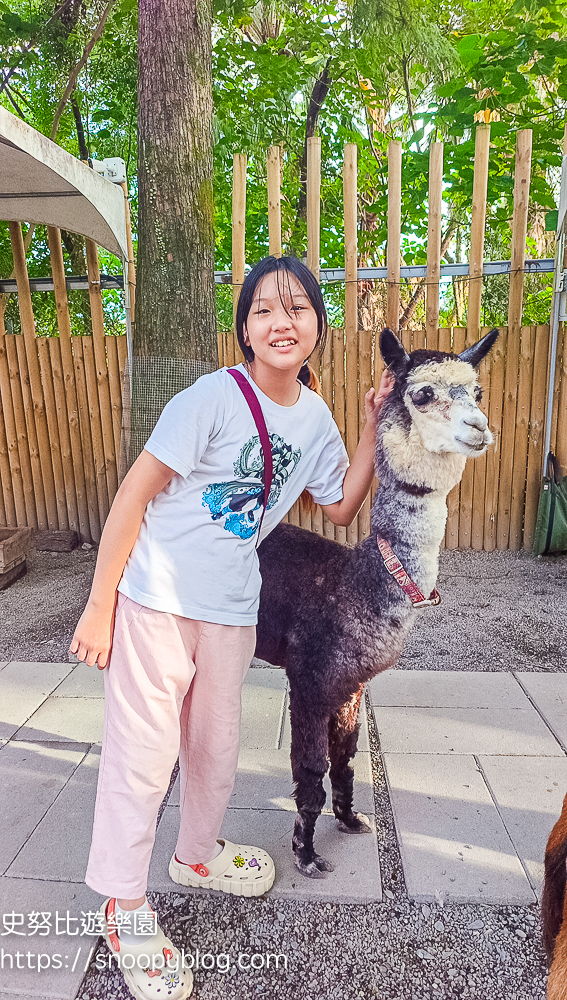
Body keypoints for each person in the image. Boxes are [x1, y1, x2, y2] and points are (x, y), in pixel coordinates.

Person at [70, 255, 394, 1000]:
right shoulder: (207, 399)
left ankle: (195, 854)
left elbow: (340, 506)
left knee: (215, 747)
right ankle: (122, 905)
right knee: (143, 758)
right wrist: (100, 602)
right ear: (244, 329)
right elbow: (135, 493)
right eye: (262, 311)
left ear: (316, 323)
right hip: (154, 601)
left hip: (229, 609)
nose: (281, 322)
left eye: (297, 308)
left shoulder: (313, 418)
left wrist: (372, 428)